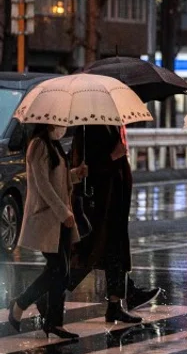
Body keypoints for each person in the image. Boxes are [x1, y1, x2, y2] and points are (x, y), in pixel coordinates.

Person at [60, 125, 160, 324]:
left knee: (113, 251)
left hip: (114, 201)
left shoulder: (109, 124)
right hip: (97, 203)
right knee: (90, 253)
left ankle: (117, 303)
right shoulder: (89, 127)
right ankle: (47, 295)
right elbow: (84, 167)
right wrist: (112, 157)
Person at [7, 125, 87, 339]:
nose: (62, 126)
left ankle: (52, 321)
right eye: (58, 122)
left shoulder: (54, 145)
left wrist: (76, 175)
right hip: (46, 217)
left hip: (59, 219)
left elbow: (58, 180)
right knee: (59, 270)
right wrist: (63, 212)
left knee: (59, 270)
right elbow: (42, 184)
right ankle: (22, 304)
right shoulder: (38, 145)